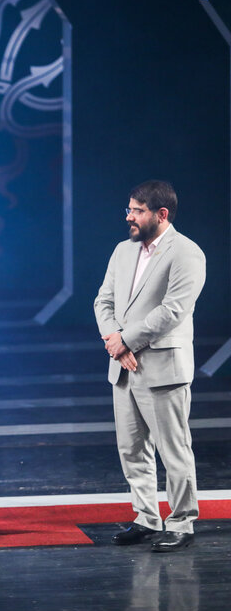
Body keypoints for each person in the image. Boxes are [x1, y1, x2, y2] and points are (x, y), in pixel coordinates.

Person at [94, 180, 205, 552]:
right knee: (132, 449)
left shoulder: (187, 252)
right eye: (129, 209)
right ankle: (146, 516)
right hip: (123, 366)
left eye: (137, 210)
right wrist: (115, 339)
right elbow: (103, 302)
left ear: (161, 214)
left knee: (173, 449)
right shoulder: (123, 251)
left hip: (161, 367)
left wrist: (127, 340)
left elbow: (173, 311)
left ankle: (182, 521)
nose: (129, 216)